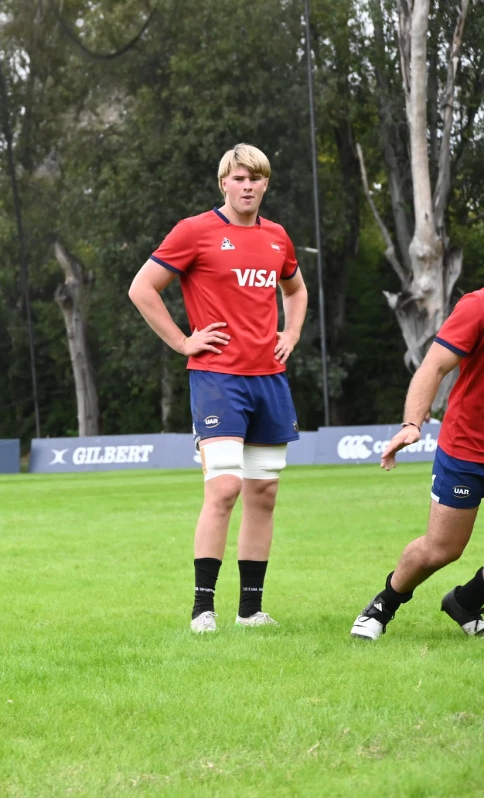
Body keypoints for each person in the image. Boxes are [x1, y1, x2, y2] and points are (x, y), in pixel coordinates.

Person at [128, 143, 308, 633]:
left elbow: (294, 288)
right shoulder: (195, 231)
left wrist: (290, 334)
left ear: (266, 184)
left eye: (256, 178)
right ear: (223, 183)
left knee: (264, 492)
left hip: (268, 380)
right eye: (239, 177)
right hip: (216, 380)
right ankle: (202, 608)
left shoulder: (276, 237)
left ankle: (250, 610)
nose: (247, 185)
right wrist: (184, 342)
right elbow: (142, 288)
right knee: (225, 487)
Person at [351, 288, 484, 640]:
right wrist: (412, 424)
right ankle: (384, 604)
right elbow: (434, 366)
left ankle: (466, 601)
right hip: (467, 448)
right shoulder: (478, 306)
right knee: (442, 549)